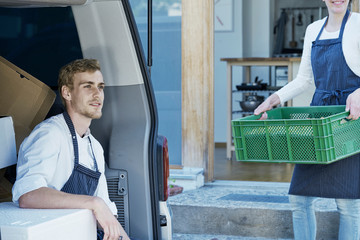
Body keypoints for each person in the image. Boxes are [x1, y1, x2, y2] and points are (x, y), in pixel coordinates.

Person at [254, 0, 360, 239]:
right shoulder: (313, 29)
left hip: (349, 120)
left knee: (348, 203)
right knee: (299, 198)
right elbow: (303, 79)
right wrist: (274, 99)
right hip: (318, 119)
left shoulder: (359, 24)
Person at [12, 59, 130, 240]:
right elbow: (28, 196)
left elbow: (105, 212)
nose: (97, 94)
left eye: (100, 87)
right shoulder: (50, 134)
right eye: (88, 87)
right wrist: (93, 203)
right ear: (67, 93)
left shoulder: (94, 147)